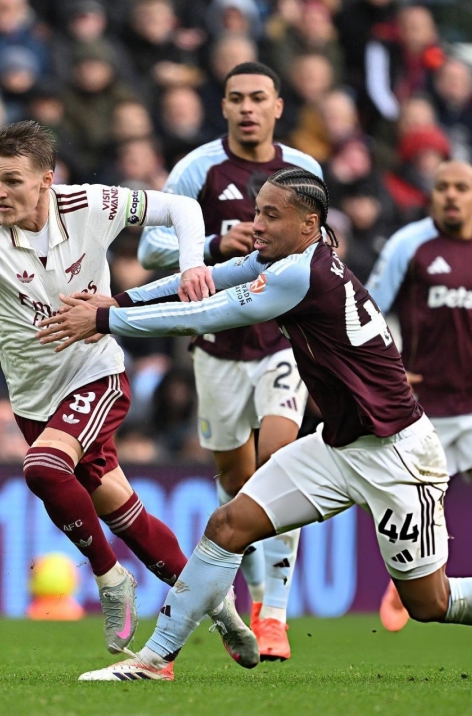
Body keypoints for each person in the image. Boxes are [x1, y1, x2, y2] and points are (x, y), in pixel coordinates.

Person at [37, 167, 472, 682]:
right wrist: (122, 298)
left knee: (430, 603)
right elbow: (207, 279)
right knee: (228, 526)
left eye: (271, 215)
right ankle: (156, 660)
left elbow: (210, 313)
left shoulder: (302, 275)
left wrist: (108, 319)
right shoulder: (290, 259)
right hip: (338, 445)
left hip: (398, 455)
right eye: (257, 212)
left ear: (310, 223)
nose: (256, 224)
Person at [0, 119, 254, 657]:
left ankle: (108, 578)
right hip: (33, 397)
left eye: (12, 181)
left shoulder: (89, 204)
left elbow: (182, 209)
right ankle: (220, 607)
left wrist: (193, 263)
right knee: (126, 514)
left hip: (95, 370)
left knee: (42, 469)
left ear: (47, 179)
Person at [136, 61, 320, 661]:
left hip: (280, 342)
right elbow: (150, 247)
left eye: (258, 97)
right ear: (223, 106)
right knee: (238, 484)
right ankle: (255, 593)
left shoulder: (304, 170)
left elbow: (321, 251)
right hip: (216, 348)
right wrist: (216, 243)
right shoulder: (197, 168)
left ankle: (274, 615)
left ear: (277, 106)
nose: (247, 107)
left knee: (280, 460)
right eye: (236, 97)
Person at [365, 161, 472, 649]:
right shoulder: (407, 245)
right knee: (418, 506)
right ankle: (406, 584)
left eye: (462, 187)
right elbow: (370, 306)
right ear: (431, 196)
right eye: (442, 188)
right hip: (425, 406)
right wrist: (391, 362)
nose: (451, 196)